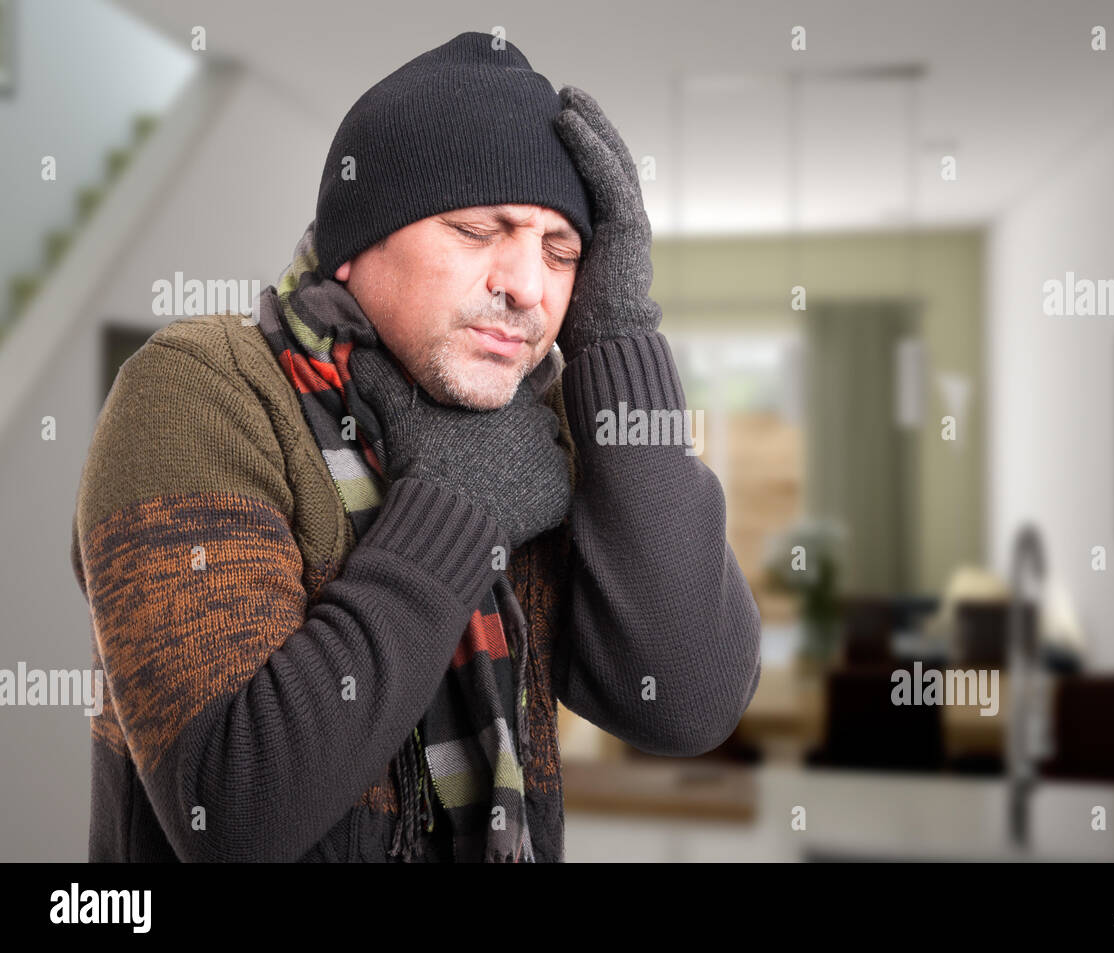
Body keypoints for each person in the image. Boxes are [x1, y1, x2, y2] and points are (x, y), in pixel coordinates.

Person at [71, 31, 761, 863]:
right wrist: (461, 507)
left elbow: (685, 701)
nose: (528, 285)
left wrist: (617, 336)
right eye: (478, 228)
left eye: (561, 250)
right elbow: (233, 807)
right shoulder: (200, 390)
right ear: (358, 245)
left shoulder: (534, 431)